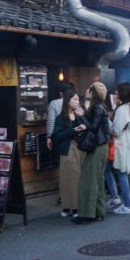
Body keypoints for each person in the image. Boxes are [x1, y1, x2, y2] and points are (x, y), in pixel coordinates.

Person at [73, 82, 111, 223]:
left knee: (88, 180)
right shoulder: (100, 106)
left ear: (94, 93)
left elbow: (93, 128)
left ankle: (87, 214)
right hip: (100, 146)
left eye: (89, 88)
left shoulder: (98, 107)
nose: (86, 90)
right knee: (97, 180)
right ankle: (98, 211)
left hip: (97, 147)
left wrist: (82, 115)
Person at [106, 81, 130, 214]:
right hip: (129, 145)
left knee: (121, 174)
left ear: (122, 93)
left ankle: (127, 205)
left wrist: (110, 121)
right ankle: (116, 198)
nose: (115, 95)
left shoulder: (122, 109)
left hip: (120, 146)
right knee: (110, 170)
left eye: (116, 93)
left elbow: (115, 131)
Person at [51, 88, 85, 218]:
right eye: (75, 99)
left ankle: (76, 207)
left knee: (78, 178)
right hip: (68, 149)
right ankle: (67, 206)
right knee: (67, 179)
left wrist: (82, 118)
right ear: (68, 100)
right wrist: (73, 130)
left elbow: (89, 128)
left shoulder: (80, 115)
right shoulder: (61, 118)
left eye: (78, 99)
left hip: (81, 149)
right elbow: (57, 136)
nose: (77, 102)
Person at [44, 79, 72, 152]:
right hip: (72, 135)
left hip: (59, 136)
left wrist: (49, 136)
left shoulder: (54, 103)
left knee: (60, 158)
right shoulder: (75, 102)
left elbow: (51, 121)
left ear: (60, 93)